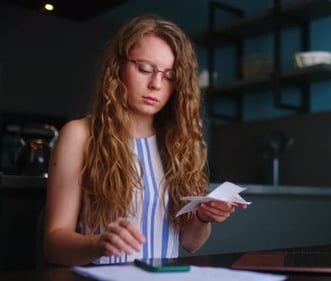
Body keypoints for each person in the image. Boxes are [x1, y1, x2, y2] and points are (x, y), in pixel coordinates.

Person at [43, 14, 247, 266]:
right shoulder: (80, 135)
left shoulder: (180, 139)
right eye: (145, 69)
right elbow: (53, 244)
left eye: (170, 76)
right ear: (117, 67)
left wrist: (203, 218)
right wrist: (98, 244)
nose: (156, 84)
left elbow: (190, 243)